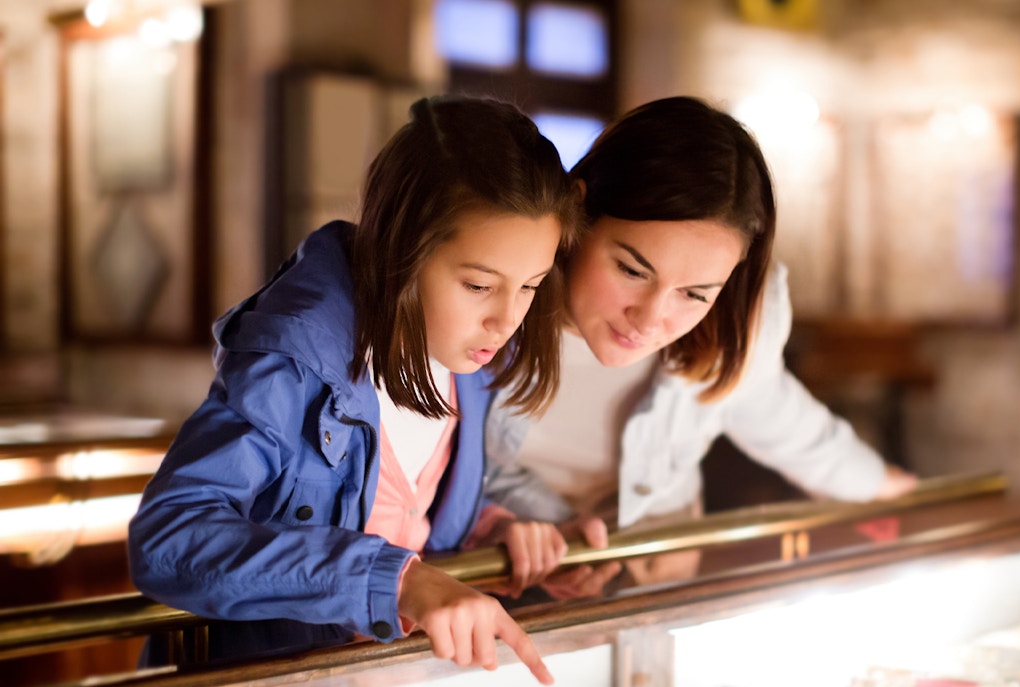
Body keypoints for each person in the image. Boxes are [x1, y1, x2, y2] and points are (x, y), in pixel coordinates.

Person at [127, 95, 582, 684]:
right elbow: (169, 539)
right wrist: (393, 581)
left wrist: (493, 531)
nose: (507, 320)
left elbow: (405, 516)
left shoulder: (474, 364)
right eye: (477, 285)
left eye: (530, 286)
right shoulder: (295, 363)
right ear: (402, 249)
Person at [484, 96, 918, 595]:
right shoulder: (491, 302)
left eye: (694, 294)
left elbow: (780, 418)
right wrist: (540, 528)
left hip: (655, 581)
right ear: (578, 211)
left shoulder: (733, 324)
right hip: (499, 574)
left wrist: (883, 486)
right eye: (631, 270)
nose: (650, 319)